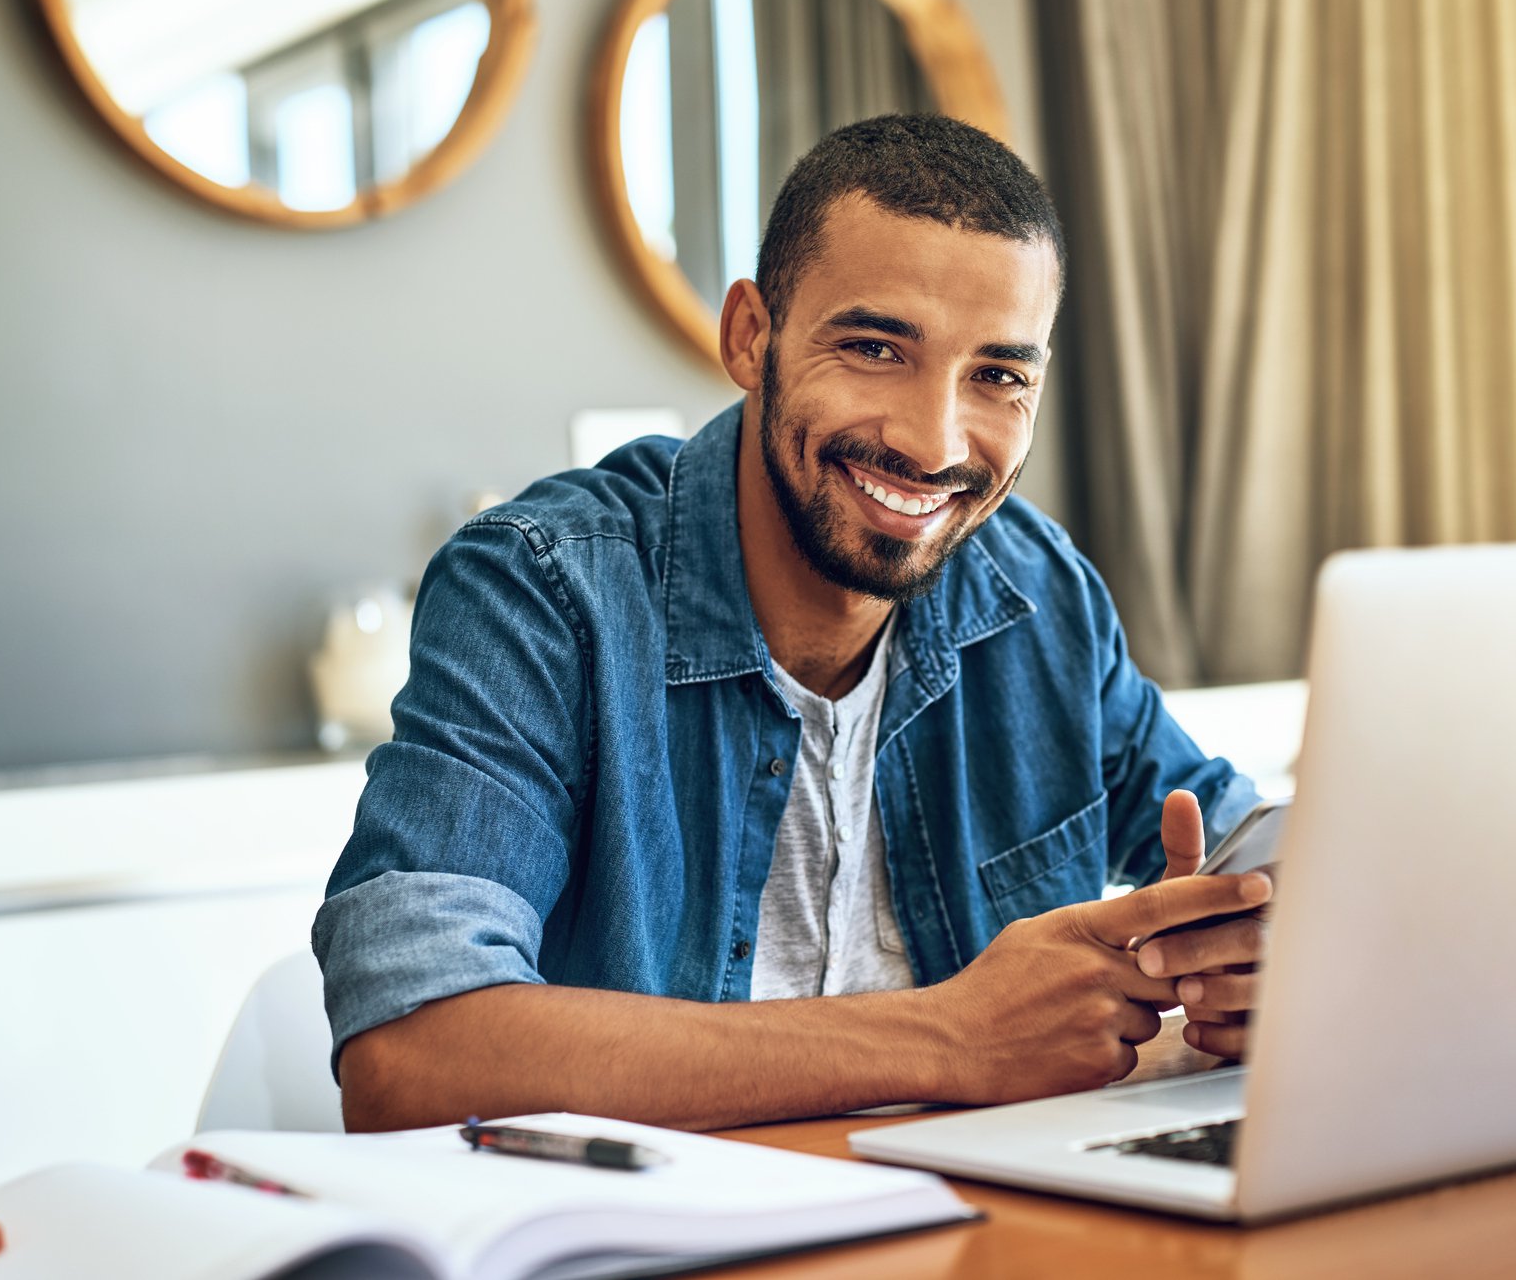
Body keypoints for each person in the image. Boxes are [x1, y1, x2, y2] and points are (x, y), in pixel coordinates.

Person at [317, 114, 1273, 1133]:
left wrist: (1255, 956)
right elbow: (409, 1054)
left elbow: (1249, 856)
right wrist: (950, 1036)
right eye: (873, 348)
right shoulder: (544, 592)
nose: (932, 440)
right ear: (750, 337)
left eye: (997, 375)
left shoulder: (1039, 592)